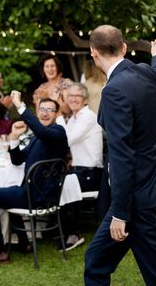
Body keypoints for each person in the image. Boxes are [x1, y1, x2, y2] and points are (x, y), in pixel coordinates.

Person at [84, 25, 156, 286]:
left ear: (93, 52)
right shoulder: (145, 72)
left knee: (155, 270)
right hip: (151, 185)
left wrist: (120, 213)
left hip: (135, 197)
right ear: (124, 47)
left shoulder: (113, 91)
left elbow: (122, 156)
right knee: (99, 260)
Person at [0, 93, 69, 263]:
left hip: (39, 197)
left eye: (50, 110)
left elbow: (41, 131)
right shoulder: (36, 138)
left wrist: (19, 105)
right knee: (5, 191)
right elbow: (18, 159)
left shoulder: (58, 132)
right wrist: (14, 138)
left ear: (57, 114)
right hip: (29, 192)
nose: (45, 113)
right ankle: (24, 242)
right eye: (42, 109)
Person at [61, 82, 104, 249]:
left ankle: (73, 233)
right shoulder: (74, 117)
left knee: (61, 186)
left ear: (85, 100)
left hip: (91, 173)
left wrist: (58, 115)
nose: (72, 99)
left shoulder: (88, 117)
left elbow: (66, 140)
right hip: (79, 171)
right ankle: (62, 228)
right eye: (70, 96)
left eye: (76, 96)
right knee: (55, 182)